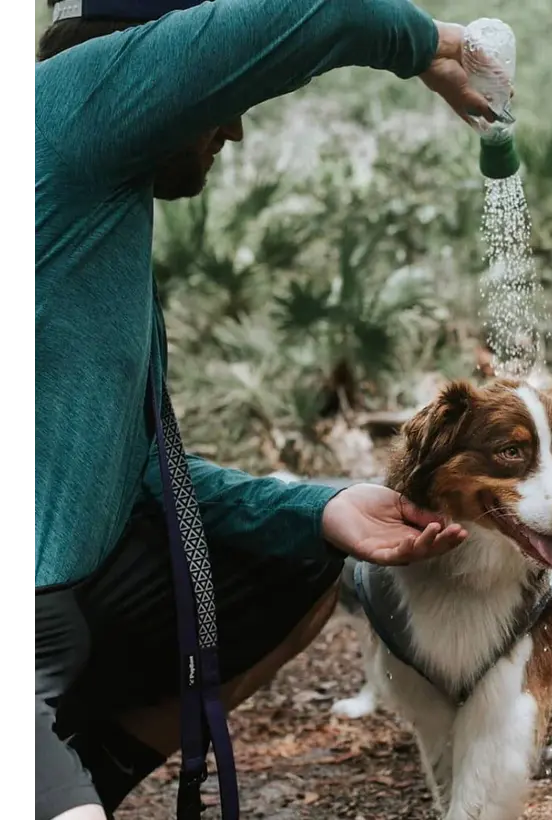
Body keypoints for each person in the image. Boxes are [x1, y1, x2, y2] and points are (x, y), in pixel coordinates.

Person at [32, 2, 507, 818]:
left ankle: (86, 784)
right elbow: (323, 11)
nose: (234, 131)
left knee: (292, 560)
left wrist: (320, 508)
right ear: (148, 71)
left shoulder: (91, 204)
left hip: (67, 605)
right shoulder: (64, 106)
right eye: (220, 93)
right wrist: (439, 45)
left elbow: (136, 471)